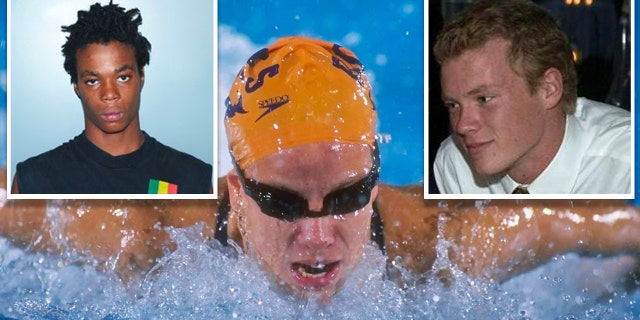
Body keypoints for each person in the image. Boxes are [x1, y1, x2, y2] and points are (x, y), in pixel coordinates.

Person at [0, 37, 639, 302]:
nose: (317, 237)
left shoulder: (435, 240)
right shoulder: (149, 238)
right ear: (234, 190)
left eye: (347, 195)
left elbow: (603, 224)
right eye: (279, 201)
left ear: (376, 175)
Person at [432, 0, 631, 194]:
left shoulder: (626, 166)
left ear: (548, 89)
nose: (462, 126)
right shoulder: (455, 166)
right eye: (453, 105)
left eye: (484, 99)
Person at [11, 2, 212, 194]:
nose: (109, 94)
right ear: (77, 86)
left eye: (123, 77)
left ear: (141, 77)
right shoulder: (34, 180)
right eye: (92, 81)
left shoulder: (192, 178)